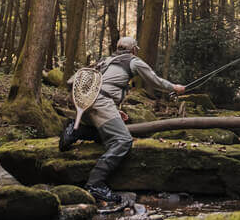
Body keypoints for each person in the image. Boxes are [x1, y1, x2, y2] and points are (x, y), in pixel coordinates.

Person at [59, 36, 185, 205]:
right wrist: (174, 88)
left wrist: (115, 111)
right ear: (133, 49)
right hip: (101, 103)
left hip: (85, 103)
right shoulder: (133, 61)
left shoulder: (104, 61)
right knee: (123, 140)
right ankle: (95, 183)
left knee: (105, 134)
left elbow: (75, 81)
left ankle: (74, 131)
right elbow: (155, 81)